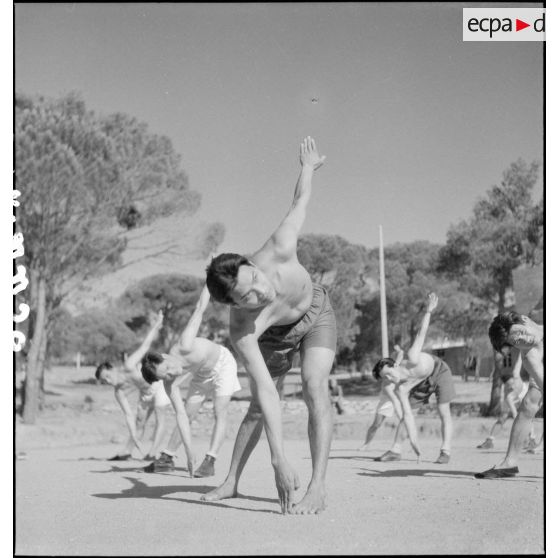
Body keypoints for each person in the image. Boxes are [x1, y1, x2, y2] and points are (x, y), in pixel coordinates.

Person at [202, 137, 336, 515]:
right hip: (274, 337)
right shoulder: (242, 330)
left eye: (255, 278)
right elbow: (266, 390)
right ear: (232, 305)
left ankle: (318, 487)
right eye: (247, 297)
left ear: (253, 264)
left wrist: (307, 168)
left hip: (314, 314)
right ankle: (230, 482)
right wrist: (278, 458)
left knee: (314, 384)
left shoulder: (279, 245)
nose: (260, 291)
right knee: (258, 407)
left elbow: (299, 202)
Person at [140, 285, 241, 478]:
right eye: (166, 377)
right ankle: (168, 458)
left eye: (168, 369)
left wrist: (210, 280)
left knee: (219, 410)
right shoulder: (170, 383)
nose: (172, 374)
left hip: (223, 364)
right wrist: (188, 450)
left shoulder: (185, 344)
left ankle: (210, 460)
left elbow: (200, 307)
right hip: (201, 375)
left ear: (164, 356)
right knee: (188, 412)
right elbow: (181, 416)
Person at [372, 293, 455, 464]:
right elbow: (408, 416)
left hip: (439, 372)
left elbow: (421, 334)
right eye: (384, 378)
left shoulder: (412, 359)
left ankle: (445, 451)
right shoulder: (401, 388)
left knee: (443, 411)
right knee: (406, 415)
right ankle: (396, 450)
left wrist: (428, 311)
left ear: (395, 365)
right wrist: (414, 443)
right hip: (419, 383)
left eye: (388, 373)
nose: (389, 378)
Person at [475, 312, 543, 478]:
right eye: (515, 342)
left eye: (519, 332)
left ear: (525, 320)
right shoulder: (531, 359)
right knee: (528, 404)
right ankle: (510, 463)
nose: (522, 339)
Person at [95, 310, 170, 460]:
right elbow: (128, 414)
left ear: (113, 369)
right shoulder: (119, 392)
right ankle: (127, 452)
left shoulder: (129, 365)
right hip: (146, 393)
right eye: (105, 381)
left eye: (108, 377)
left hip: (158, 384)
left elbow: (144, 346)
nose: (108, 382)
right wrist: (134, 435)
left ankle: (152, 454)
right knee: (139, 422)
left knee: (160, 417)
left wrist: (156, 325)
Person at [476, 346, 535, 450]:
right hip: (511, 384)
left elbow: (520, 363)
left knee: (526, 415)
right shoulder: (505, 351)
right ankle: (490, 440)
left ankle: (531, 440)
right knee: (503, 416)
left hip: (518, 385)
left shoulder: (517, 348)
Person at [358, 345, 404, 451]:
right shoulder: (386, 383)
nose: (386, 376)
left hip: (400, 399)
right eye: (384, 376)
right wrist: (390, 378)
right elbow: (394, 393)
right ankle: (366, 444)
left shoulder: (396, 366)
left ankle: (402, 444)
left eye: (387, 373)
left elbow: (401, 354)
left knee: (405, 421)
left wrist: (398, 350)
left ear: (390, 365)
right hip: (386, 402)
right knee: (376, 425)